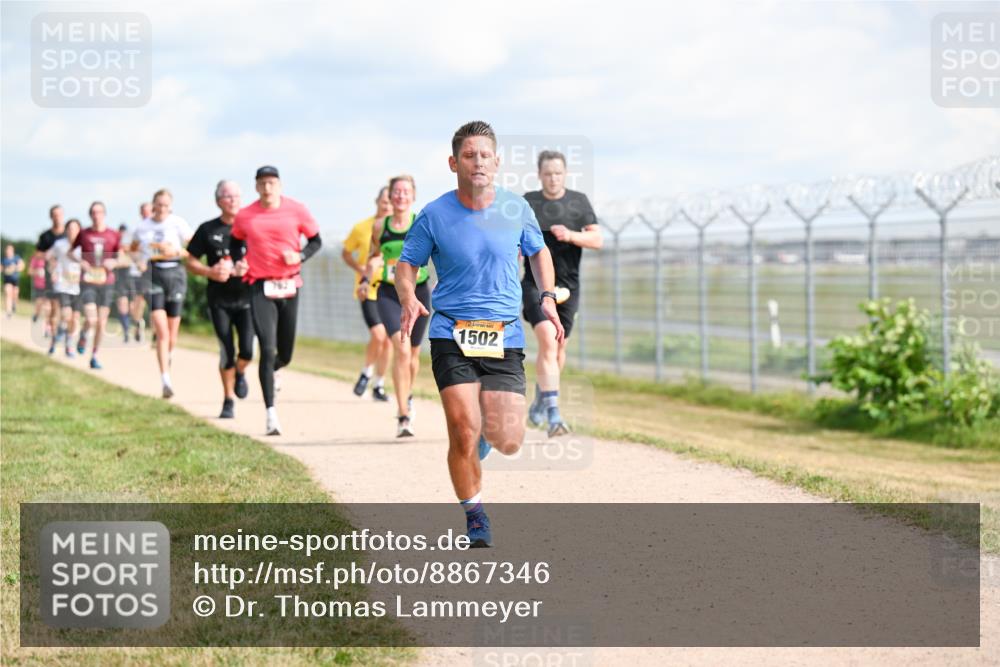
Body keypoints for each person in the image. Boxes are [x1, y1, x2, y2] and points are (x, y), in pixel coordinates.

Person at [396, 121, 563, 547]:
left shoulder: (516, 209)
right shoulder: (434, 214)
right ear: (454, 163)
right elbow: (407, 264)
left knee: (508, 440)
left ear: (497, 162)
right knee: (462, 428)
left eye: (485, 155)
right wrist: (408, 297)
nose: (478, 162)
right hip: (451, 333)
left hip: (504, 336)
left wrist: (546, 295)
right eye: (469, 155)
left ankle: (485, 441)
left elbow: (539, 252)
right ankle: (474, 514)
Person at [231, 165, 322, 435]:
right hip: (259, 286)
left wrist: (300, 256)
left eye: (271, 182)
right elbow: (235, 242)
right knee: (267, 348)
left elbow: (316, 241)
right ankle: (271, 414)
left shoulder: (297, 210)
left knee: (286, 353)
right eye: (262, 183)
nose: (267, 187)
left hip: (289, 284)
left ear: (279, 185)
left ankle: (273, 370)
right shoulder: (246, 215)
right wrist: (239, 261)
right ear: (256, 187)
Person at [522, 150, 603, 436]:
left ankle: (541, 400)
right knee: (548, 340)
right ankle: (554, 415)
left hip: (569, 286)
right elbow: (515, 240)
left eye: (558, 173)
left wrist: (570, 235)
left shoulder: (578, 201)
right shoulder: (529, 202)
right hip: (536, 285)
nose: (553, 178)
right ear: (539, 175)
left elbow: (597, 238)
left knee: (558, 348)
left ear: (565, 174)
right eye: (548, 173)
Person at [367, 175, 430, 437]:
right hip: (389, 293)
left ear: (413, 196)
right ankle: (403, 415)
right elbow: (374, 255)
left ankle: (408, 393)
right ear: (390, 196)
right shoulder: (379, 226)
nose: (401, 196)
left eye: (406, 191)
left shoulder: (422, 223)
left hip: (419, 293)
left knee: (413, 355)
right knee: (401, 349)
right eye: (397, 191)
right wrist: (366, 277)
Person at [187, 180, 254, 419]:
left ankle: (240, 371)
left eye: (236, 195)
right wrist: (210, 271)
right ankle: (228, 399)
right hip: (219, 300)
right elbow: (190, 261)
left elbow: (266, 256)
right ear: (218, 201)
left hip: (247, 299)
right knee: (227, 350)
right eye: (227, 196)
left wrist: (250, 267)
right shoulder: (207, 229)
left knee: (247, 351)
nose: (232, 200)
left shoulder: (251, 227)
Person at [131, 189, 193, 398]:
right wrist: (138, 260)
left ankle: (168, 354)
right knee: (162, 331)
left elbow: (194, 248)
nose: (162, 208)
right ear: (153, 205)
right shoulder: (143, 226)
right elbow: (132, 248)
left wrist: (176, 251)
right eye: (159, 204)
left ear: (170, 206)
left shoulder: (178, 223)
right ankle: (165, 380)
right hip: (153, 274)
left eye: (166, 205)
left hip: (175, 273)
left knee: (172, 335)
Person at [341, 186, 393, 402]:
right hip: (368, 289)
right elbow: (346, 252)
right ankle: (366, 371)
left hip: (391, 289)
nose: (387, 206)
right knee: (379, 335)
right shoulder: (362, 227)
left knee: (389, 341)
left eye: (390, 202)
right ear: (377, 202)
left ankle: (379, 385)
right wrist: (360, 269)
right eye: (384, 201)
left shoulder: (401, 229)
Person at [74, 202, 122, 369]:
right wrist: (81, 262)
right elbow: (71, 253)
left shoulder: (113, 234)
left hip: (106, 282)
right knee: (91, 318)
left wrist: (114, 262)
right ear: (90, 215)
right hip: (88, 282)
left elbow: (121, 256)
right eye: (93, 212)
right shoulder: (84, 233)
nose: (96, 215)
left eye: (99, 212)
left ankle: (94, 355)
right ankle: (83, 334)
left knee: (101, 322)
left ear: (104, 214)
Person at [47, 218, 82, 357]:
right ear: (66, 230)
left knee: (75, 318)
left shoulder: (83, 245)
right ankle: (56, 339)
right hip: (62, 284)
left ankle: (68, 342)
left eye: (75, 228)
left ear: (79, 230)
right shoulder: (59, 244)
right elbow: (50, 257)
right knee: (66, 313)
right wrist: (53, 271)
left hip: (78, 285)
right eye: (70, 228)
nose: (72, 231)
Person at [36, 205, 66, 343]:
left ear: (63, 215)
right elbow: (38, 253)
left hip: (67, 274)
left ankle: (60, 327)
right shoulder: (45, 236)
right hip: (51, 274)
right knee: (53, 303)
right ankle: (51, 328)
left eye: (59, 214)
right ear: (51, 217)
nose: (57, 217)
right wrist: (49, 257)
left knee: (62, 304)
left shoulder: (69, 234)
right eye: (54, 215)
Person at [113, 223, 134, 343]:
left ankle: (134, 326)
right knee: (122, 306)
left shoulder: (130, 247)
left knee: (132, 308)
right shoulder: (115, 247)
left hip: (131, 279)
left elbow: (129, 261)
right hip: (120, 280)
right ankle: (126, 331)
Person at [29, 250, 50, 334]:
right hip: (39, 286)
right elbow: (29, 271)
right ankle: (36, 314)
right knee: (39, 304)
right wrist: (37, 272)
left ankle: (47, 328)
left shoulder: (51, 258)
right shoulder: (35, 258)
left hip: (49, 286)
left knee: (48, 307)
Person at [2, 245, 25, 318]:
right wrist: (5, 270)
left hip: (15, 280)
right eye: (7, 250)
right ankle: (8, 312)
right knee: (8, 293)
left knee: (15, 295)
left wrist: (15, 267)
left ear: (12, 251)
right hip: (7, 280)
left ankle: (14, 304)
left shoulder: (16, 258)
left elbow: (22, 266)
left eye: (10, 250)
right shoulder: (4, 260)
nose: (8, 251)